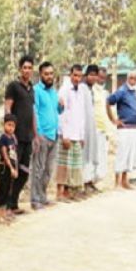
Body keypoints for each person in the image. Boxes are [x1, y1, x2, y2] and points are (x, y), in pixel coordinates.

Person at [3, 55, 34, 214]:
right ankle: (6, 206)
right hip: (16, 138)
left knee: (23, 172)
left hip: (28, 138)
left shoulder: (31, 89)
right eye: (24, 68)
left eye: (30, 68)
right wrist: (9, 133)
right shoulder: (13, 86)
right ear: (20, 69)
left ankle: (14, 203)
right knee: (11, 171)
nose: (27, 70)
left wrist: (35, 134)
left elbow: (32, 113)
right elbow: (8, 108)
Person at [30, 61, 61, 210]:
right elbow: (34, 112)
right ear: (40, 75)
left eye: (51, 74)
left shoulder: (54, 92)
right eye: (46, 74)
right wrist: (38, 134)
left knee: (49, 170)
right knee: (38, 168)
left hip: (54, 135)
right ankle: (35, 199)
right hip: (42, 136)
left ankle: (42, 197)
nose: (49, 76)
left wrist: (61, 106)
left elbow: (57, 112)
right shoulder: (36, 91)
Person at [106, 71, 136, 190]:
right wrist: (113, 119)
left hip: (133, 128)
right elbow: (109, 101)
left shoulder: (135, 92)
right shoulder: (122, 91)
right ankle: (116, 183)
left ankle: (124, 180)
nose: (133, 80)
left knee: (129, 155)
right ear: (127, 78)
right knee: (122, 154)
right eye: (131, 78)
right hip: (124, 128)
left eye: (135, 78)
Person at [56, 64, 87, 201]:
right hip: (67, 133)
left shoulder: (81, 91)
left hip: (76, 133)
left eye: (80, 76)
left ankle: (68, 192)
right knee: (63, 164)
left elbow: (81, 114)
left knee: (74, 164)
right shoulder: (64, 90)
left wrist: (81, 135)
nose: (77, 78)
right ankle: (59, 192)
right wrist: (64, 134)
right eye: (75, 75)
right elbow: (62, 114)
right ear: (70, 75)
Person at [82, 65, 107, 192]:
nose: (94, 77)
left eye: (95, 75)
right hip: (86, 129)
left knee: (93, 157)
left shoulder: (94, 90)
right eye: (91, 75)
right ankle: (85, 183)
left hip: (97, 127)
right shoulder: (82, 89)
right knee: (86, 157)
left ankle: (90, 182)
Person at [0, 114, 19, 224]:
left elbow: (15, 155)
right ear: (4, 125)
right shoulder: (3, 138)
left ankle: (4, 214)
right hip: (5, 168)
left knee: (8, 191)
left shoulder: (13, 138)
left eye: (13, 126)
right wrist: (10, 167)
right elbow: (5, 154)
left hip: (12, 168)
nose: (11, 128)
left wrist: (16, 169)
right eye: (9, 125)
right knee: (2, 190)